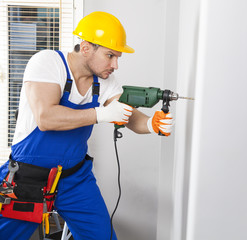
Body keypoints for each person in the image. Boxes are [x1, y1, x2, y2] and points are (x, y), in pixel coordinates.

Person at [0, 11, 174, 239]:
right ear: (86, 47)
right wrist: (100, 114)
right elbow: (46, 118)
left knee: (101, 236)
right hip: (27, 177)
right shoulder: (49, 63)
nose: (116, 65)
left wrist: (151, 124)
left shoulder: (105, 81)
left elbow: (128, 115)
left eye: (118, 57)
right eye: (110, 56)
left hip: (74, 180)